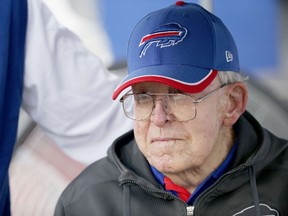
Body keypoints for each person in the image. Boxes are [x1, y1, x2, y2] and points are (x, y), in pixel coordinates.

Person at [54, 2, 288, 215]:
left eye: (179, 94)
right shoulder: (86, 202)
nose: (158, 118)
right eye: (143, 97)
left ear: (232, 103)